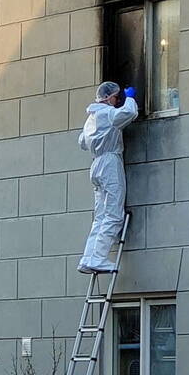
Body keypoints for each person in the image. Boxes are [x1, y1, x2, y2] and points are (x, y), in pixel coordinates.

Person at [76, 81, 138, 274]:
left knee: (100, 215)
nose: (117, 100)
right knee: (113, 214)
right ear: (109, 97)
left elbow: (82, 143)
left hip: (95, 165)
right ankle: (98, 258)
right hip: (110, 163)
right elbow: (129, 113)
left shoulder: (91, 119)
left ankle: (88, 257)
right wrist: (130, 98)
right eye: (116, 97)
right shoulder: (108, 114)